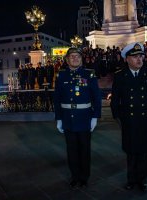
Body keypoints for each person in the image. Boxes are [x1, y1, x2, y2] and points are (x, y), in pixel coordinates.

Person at [110, 43, 147, 193]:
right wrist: (117, 117)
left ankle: (143, 179)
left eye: (141, 56)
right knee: (131, 151)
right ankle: (131, 179)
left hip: (145, 119)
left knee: (144, 151)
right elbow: (115, 100)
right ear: (127, 59)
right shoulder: (120, 75)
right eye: (135, 56)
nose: (139, 59)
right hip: (128, 120)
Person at [54, 47, 102, 189]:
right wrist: (59, 118)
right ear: (67, 60)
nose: (75, 58)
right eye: (72, 56)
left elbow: (96, 98)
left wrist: (95, 117)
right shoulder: (61, 76)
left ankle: (84, 177)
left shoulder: (89, 75)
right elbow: (57, 99)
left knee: (84, 149)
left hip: (84, 118)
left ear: (82, 59)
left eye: (78, 57)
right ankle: (75, 176)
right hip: (68, 118)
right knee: (72, 150)